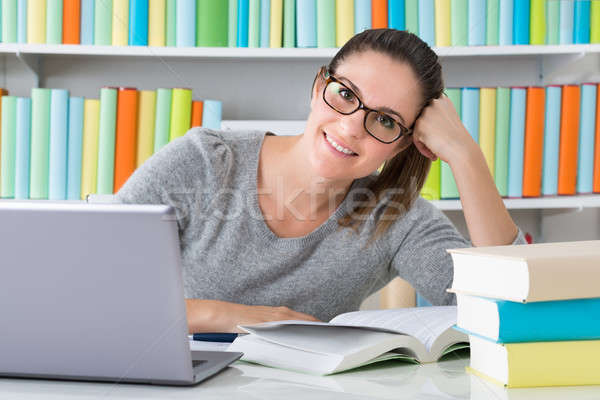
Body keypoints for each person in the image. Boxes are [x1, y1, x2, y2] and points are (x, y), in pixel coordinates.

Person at [116, 29, 525, 333]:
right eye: (346, 95)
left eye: (385, 121)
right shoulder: (204, 163)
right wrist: (224, 315)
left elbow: (508, 314)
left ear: (403, 145)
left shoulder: (396, 216)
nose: (349, 129)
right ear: (318, 88)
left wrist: (466, 157)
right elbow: (83, 287)